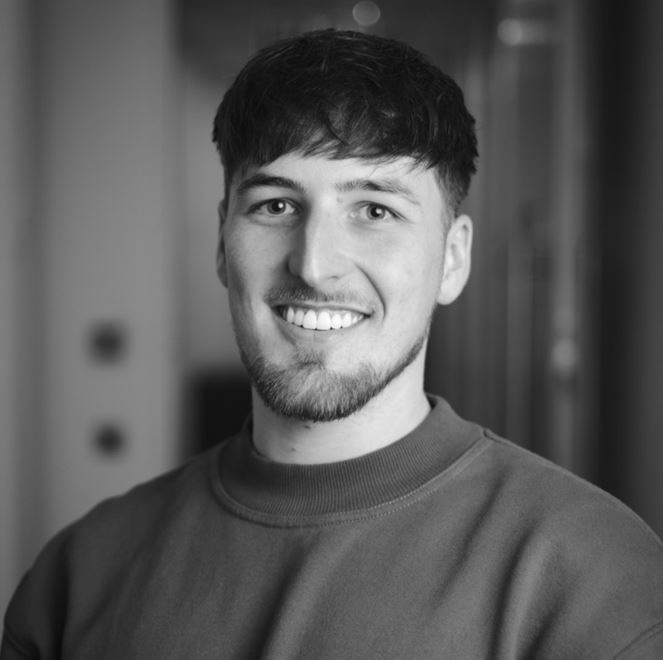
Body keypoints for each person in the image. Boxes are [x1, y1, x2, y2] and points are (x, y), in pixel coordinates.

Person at [3, 28, 663, 659]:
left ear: (453, 259)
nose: (314, 266)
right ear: (222, 242)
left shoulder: (590, 579)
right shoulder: (80, 575)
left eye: (375, 210)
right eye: (276, 206)